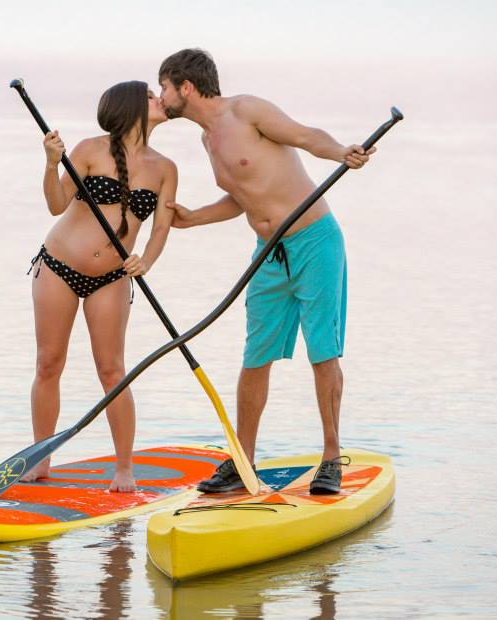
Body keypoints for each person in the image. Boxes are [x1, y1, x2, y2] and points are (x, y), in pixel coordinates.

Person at [158, 49, 374, 495]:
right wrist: (194, 217)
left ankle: (331, 457)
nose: (161, 95)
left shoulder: (247, 110)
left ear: (186, 86)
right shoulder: (207, 140)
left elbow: (304, 136)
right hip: (269, 254)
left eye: (164, 86)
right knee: (255, 356)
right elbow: (244, 195)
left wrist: (340, 151)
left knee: (322, 350)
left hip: (315, 241)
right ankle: (243, 462)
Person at [24, 80, 177, 492]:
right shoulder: (89, 150)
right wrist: (51, 163)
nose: (159, 100)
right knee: (48, 363)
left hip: (113, 277)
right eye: (150, 95)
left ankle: (124, 468)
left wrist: (147, 259)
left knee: (112, 371)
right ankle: (40, 459)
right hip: (57, 266)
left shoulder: (165, 169)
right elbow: (57, 204)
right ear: (130, 107)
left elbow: (161, 228)